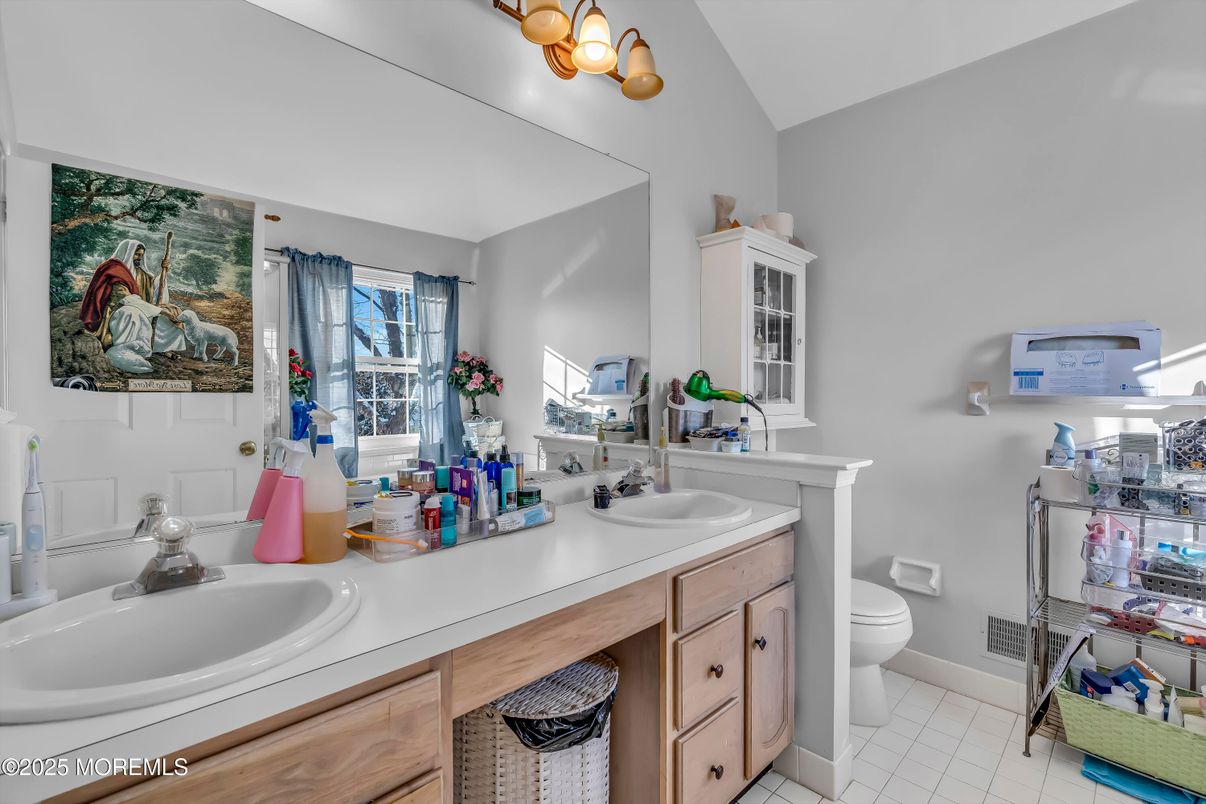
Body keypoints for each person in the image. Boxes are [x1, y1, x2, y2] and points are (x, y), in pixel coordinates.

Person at [78, 239, 189, 372]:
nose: (139, 258)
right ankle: (124, 349)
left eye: (141, 255)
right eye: (136, 254)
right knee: (131, 313)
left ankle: (158, 348)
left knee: (173, 312)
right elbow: (127, 299)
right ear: (128, 252)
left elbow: (153, 290)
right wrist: (160, 311)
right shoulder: (113, 270)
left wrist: (164, 273)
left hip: (141, 308)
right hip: (114, 312)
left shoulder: (141, 274)